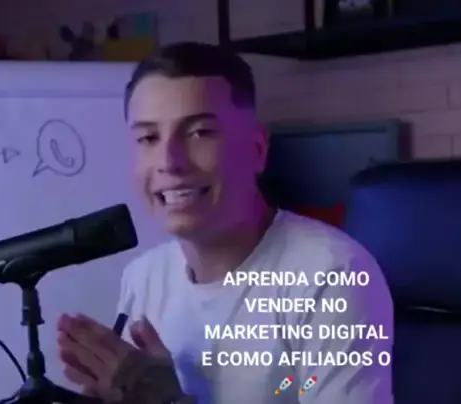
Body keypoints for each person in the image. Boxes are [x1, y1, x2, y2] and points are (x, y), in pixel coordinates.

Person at [56, 42, 394, 404]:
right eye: (148, 138)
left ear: (257, 150)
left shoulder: (331, 276)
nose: (169, 161)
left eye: (199, 133)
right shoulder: (143, 278)